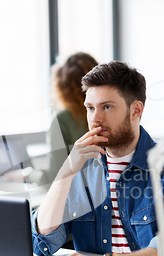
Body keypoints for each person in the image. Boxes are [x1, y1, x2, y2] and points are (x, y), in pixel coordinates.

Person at [31, 61, 164, 256]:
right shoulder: (80, 169)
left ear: (136, 110)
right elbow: (43, 243)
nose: (95, 119)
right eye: (90, 108)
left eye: (107, 107)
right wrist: (65, 173)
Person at [7, 52, 98, 185]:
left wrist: (27, 174)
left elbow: (53, 179)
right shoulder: (105, 115)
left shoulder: (63, 119)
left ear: (62, 86)